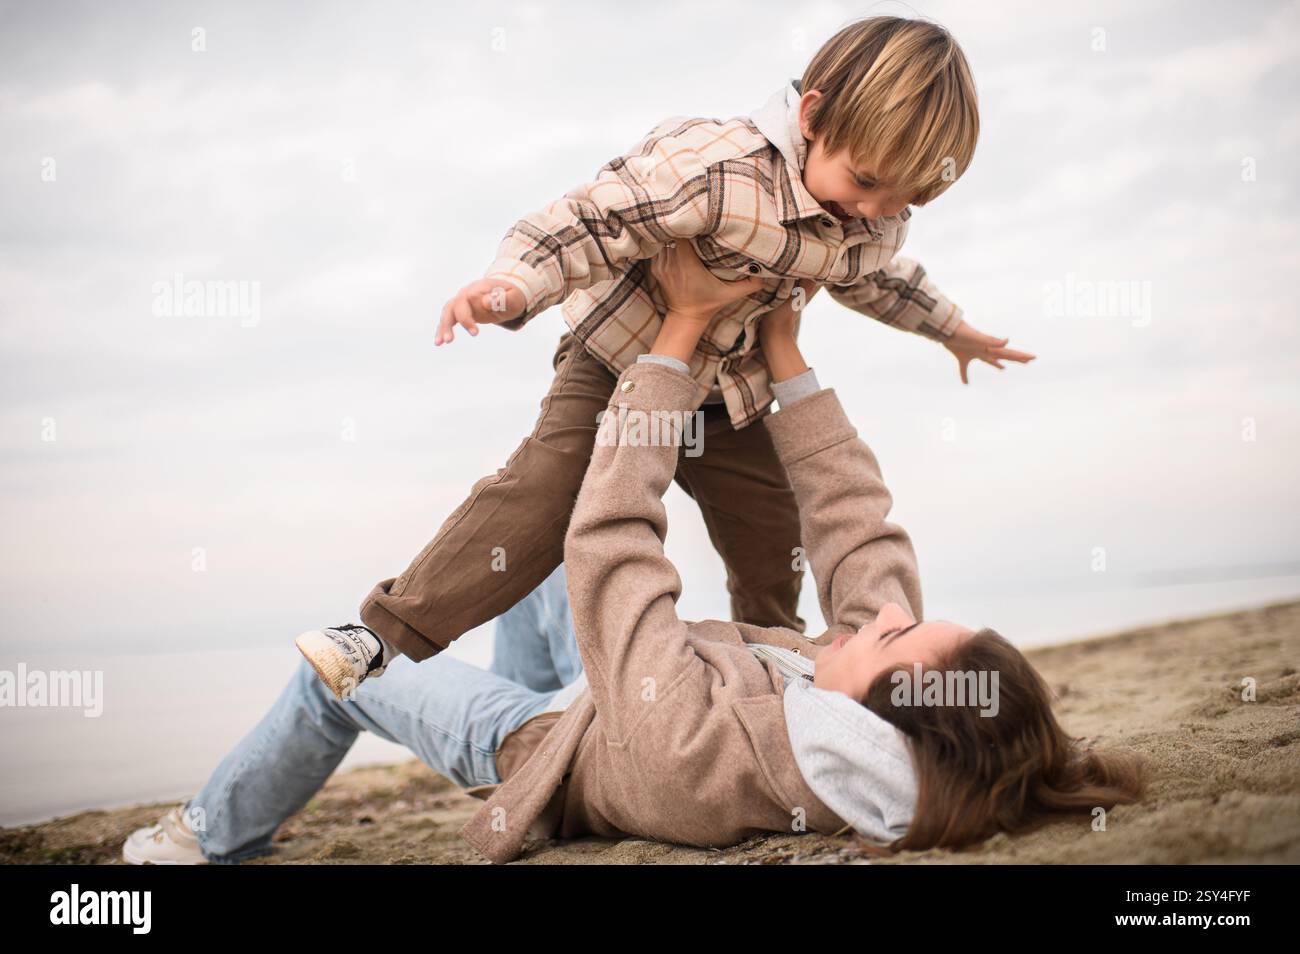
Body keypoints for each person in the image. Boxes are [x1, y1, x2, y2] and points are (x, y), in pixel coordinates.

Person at [124, 244, 1135, 866]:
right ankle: (480, 661)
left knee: (340, 662)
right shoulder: (877, 709)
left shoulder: (713, 757)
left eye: (890, 638)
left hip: (544, 746)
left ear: (869, 709)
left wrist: (681, 334)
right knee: (537, 549)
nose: (876, 615)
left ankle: (209, 838)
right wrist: (783, 347)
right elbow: (855, 521)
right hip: (603, 696)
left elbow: (616, 544)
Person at [292, 15, 1034, 702]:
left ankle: (778, 663)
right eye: (866, 182)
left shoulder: (873, 219)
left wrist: (951, 329)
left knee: (771, 533)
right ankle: (382, 634)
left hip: (728, 397)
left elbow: (879, 279)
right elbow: (592, 220)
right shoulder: (715, 168)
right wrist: (513, 286)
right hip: (619, 364)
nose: (873, 211)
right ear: (811, 119)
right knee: (547, 489)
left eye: (903, 198)